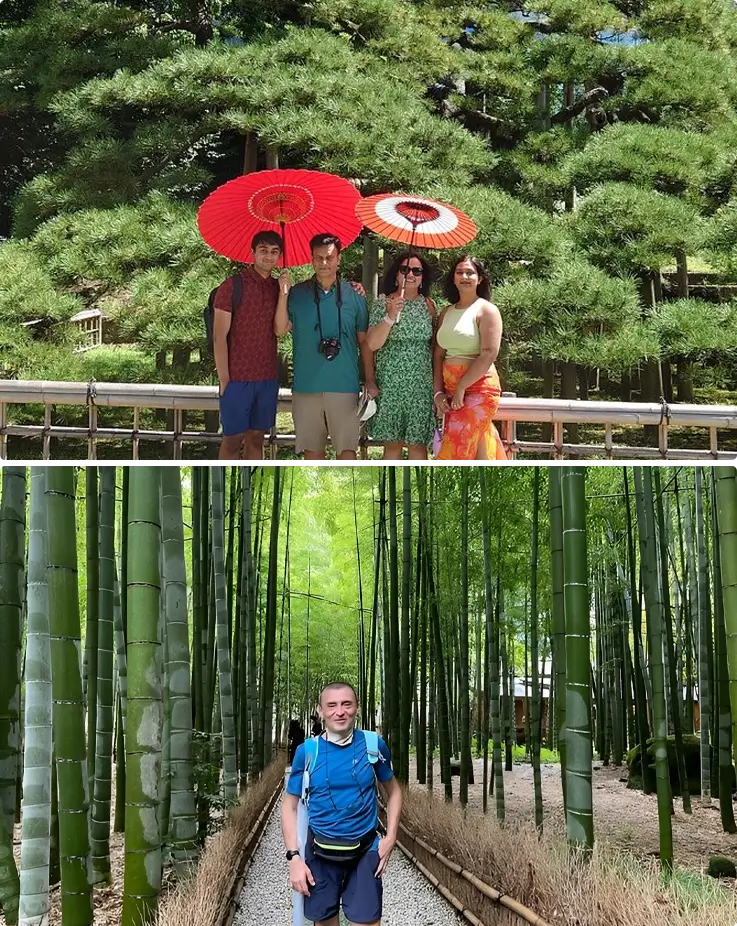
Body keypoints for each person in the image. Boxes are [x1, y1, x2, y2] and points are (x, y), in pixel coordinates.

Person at [282, 682, 402, 926]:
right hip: (320, 854)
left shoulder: (373, 745)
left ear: (357, 708)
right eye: (332, 705)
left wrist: (390, 838)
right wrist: (294, 858)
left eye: (347, 704)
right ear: (320, 710)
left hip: (364, 851)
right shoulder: (307, 751)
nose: (340, 711)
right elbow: (289, 806)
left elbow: (394, 791)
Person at [275, 234, 371, 463]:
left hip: (344, 386)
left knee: (347, 455)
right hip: (307, 386)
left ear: (339, 258)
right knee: (312, 455)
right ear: (311, 259)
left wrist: (370, 379)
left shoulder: (354, 296)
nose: (324, 263)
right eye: (319, 258)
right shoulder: (297, 293)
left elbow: (365, 343)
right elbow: (279, 329)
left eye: (329, 257)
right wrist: (283, 293)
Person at [213, 230, 291, 463]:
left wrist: (285, 293)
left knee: (257, 437)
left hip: (266, 377)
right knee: (232, 439)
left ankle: (251, 483)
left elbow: (280, 329)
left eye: (274, 252)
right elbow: (219, 336)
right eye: (263, 251)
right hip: (237, 378)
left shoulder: (279, 287)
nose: (269, 257)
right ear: (253, 253)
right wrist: (224, 377)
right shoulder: (232, 286)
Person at [432, 255, 507, 462]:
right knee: (478, 446)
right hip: (450, 388)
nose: (464, 276)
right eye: (459, 272)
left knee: (457, 445)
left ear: (480, 278)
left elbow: (489, 353)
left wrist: (462, 387)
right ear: (453, 278)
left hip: (479, 388)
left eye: (470, 272)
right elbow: (438, 354)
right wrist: (438, 392)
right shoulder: (446, 312)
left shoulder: (487, 310)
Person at [364, 252, 436, 462]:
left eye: (416, 270)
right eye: (405, 269)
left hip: (420, 385)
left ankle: (420, 492)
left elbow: (433, 347)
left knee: (418, 444)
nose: (410, 274)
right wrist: (390, 316)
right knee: (392, 444)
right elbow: (372, 344)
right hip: (390, 382)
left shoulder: (429, 306)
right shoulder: (383, 303)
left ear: (423, 276)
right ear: (396, 274)